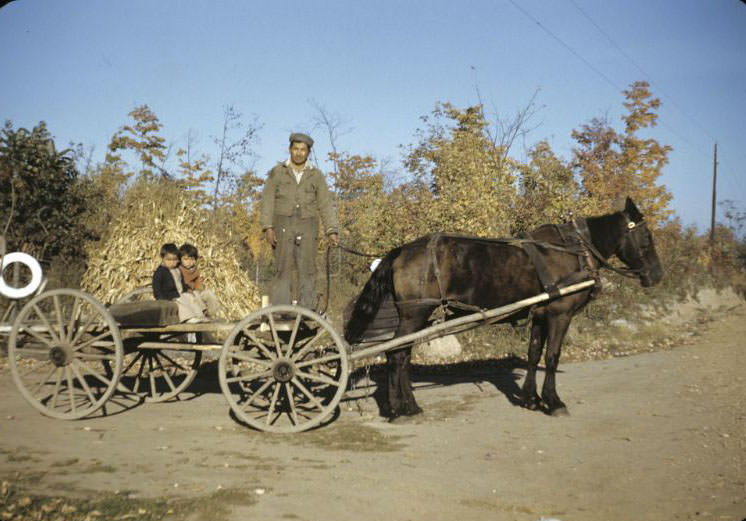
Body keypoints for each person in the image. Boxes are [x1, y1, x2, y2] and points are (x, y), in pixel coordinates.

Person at [260, 132, 338, 309]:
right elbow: (267, 200)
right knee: (282, 268)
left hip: (308, 225)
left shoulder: (316, 175)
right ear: (290, 149)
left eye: (303, 150)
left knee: (308, 268)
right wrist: (268, 227)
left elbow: (325, 203)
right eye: (295, 149)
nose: (299, 153)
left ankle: (307, 308)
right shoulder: (277, 172)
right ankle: (281, 310)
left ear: (308, 152)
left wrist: (331, 230)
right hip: (282, 224)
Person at [152, 242, 206, 323]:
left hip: (179, 294)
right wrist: (161, 299)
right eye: (169, 260)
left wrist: (187, 289)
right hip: (169, 296)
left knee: (190, 297)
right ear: (162, 258)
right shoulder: (160, 272)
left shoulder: (177, 270)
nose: (172, 262)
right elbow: (157, 288)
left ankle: (200, 315)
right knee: (180, 302)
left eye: (174, 260)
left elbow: (181, 283)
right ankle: (188, 318)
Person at [178, 242, 220, 318]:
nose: (189, 262)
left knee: (209, 293)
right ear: (180, 260)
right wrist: (190, 291)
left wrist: (199, 289)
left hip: (196, 293)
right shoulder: (178, 270)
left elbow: (198, 282)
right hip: (186, 295)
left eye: (192, 259)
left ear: (195, 260)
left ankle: (210, 313)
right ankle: (202, 313)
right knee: (195, 294)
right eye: (186, 259)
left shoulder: (195, 270)